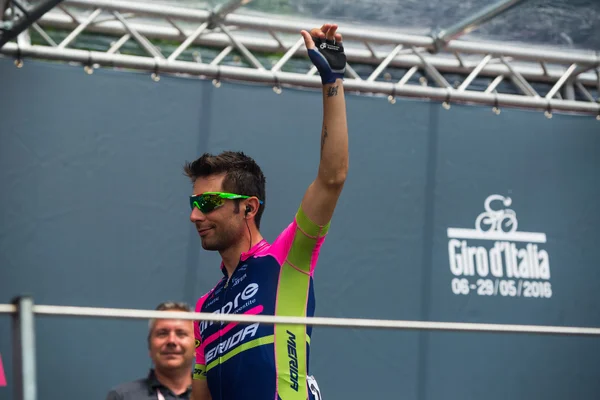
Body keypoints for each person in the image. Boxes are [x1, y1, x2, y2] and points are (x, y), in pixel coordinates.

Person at [186, 23, 348, 400]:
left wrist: (332, 82)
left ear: (249, 208)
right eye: (194, 205)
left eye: (208, 204)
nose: (195, 216)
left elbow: (332, 178)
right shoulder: (205, 308)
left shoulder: (287, 259)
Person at [106, 302, 196, 400]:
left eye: (181, 333)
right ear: (150, 346)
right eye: (162, 333)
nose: (171, 340)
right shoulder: (123, 396)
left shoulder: (212, 394)